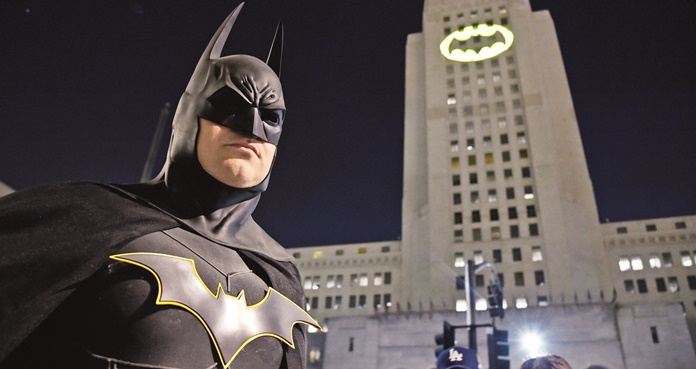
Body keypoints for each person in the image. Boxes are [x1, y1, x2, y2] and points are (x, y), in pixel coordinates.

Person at [0, 3, 320, 368]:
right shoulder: (86, 218)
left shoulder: (280, 274)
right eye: (230, 104)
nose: (252, 127)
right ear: (189, 116)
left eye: (271, 116)